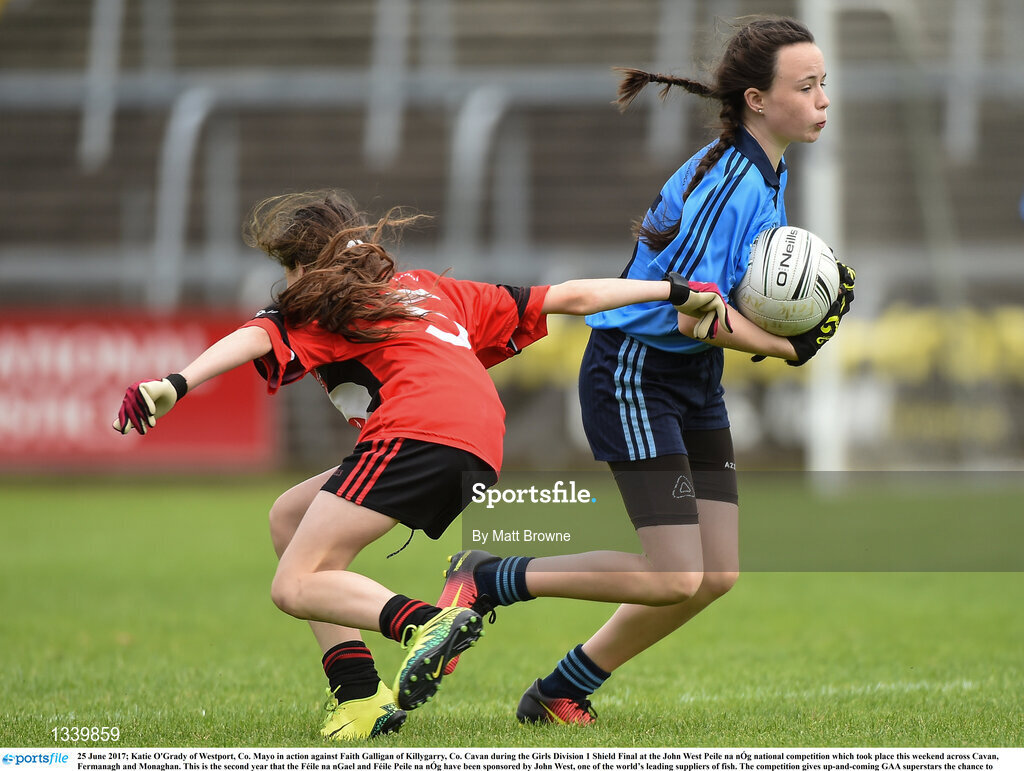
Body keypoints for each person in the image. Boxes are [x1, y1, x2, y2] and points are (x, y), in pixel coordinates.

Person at [111, 189, 732, 740]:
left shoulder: (318, 307)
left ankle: (425, 623)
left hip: (415, 436)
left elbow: (251, 336)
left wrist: (175, 382)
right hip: (479, 446)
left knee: (292, 586)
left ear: (303, 267)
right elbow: (573, 296)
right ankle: (358, 698)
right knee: (289, 517)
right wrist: (674, 290)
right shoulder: (430, 289)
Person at [432, 16, 856, 724]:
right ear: (757, 98)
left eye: (824, 84)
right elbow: (694, 315)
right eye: (806, 86)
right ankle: (489, 575)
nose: (823, 99)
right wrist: (789, 345)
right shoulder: (732, 180)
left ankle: (562, 687)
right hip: (636, 371)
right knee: (674, 571)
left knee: (713, 573)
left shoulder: (764, 167)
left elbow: (727, 301)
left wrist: (790, 315)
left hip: (690, 380)